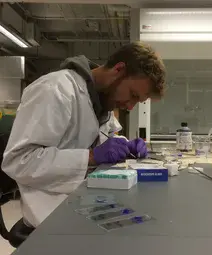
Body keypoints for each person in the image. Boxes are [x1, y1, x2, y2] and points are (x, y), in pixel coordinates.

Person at [2, 42, 166, 228]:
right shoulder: (55, 89)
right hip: (50, 216)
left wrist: (124, 145)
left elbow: (100, 139)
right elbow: (18, 161)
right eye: (133, 95)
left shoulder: (103, 100)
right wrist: (90, 156)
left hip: (89, 204)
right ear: (119, 69)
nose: (130, 107)